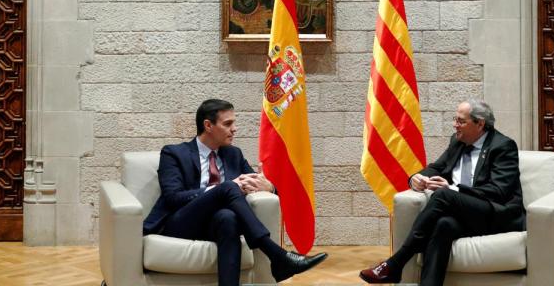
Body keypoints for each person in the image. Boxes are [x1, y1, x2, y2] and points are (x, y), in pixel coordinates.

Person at [143, 98, 328, 285]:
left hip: (216, 224)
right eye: (228, 123)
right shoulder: (174, 153)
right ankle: (276, 254)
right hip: (181, 223)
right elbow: (173, 197)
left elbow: (257, 183)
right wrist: (221, 188)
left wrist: (270, 188)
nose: (234, 129)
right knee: (229, 187)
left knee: (227, 218)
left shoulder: (234, 154)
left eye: (234, 123)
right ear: (208, 125)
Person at [359, 99, 525, 285]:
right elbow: (437, 167)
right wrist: (415, 178)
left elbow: (499, 191)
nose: (455, 125)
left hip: (496, 214)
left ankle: (396, 263)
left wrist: (452, 189)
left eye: (461, 121)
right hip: (465, 215)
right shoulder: (458, 141)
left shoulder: (503, 146)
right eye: (455, 119)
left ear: (480, 124)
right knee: (444, 224)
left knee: (443, 195)